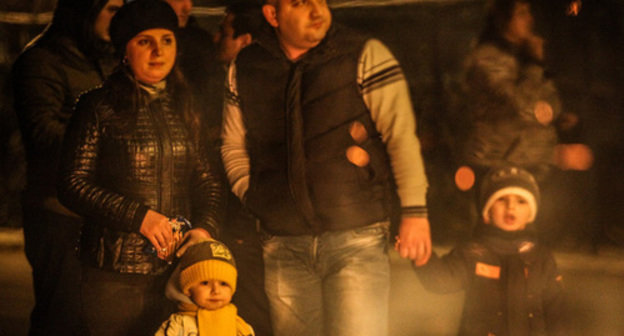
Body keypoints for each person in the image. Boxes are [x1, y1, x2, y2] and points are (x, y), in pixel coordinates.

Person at [220, 0, 431, 335]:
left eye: (320, 0)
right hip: (284, 242)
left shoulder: (364, 54)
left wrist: (415, 212)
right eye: (300, 3)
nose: (316, 10)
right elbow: (233, 144)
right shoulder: (247, 66)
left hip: (356, 236)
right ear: (273, 14)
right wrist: (256, 195)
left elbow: (400, 137)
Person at [57, 0, 224, 334]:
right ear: (125, 50)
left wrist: (203, 231)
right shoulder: (98, 107)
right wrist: (140, 218)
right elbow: (73, 183)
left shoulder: (185, 105)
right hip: (116, 273)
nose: (158, 51)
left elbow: (207, 181)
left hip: (179, 272)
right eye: (144, 41)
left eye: (166, 40)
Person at [11, 0, 122, 334]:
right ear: (84, 10)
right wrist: (111, 141)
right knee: (63, 316)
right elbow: (43, 133)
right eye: (112, 9)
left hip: (98, 210)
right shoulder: (42, 61)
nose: (120, 18)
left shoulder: (107, 57)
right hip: (58, 213)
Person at [413, 166, 565, 335]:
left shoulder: (540, 257)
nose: (511, 207)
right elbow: (441, 280)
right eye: (501, 200)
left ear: (531, 213)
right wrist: (420, 255)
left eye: (521, 201)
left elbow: (556, 312)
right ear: (487, 212)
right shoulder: (474, 253)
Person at [211, 3, 274, 336]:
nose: (217, 37)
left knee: (255, 312)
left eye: (225, 31)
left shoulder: (259, 89)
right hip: (242, 217)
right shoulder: (220, 83)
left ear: (246, 40)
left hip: (251, 220)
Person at [155, 239, 254, 336]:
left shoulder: (241, 328)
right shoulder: (179, 325)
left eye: (223, 284)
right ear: (188, 289)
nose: (216, 291)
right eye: (205, 283)